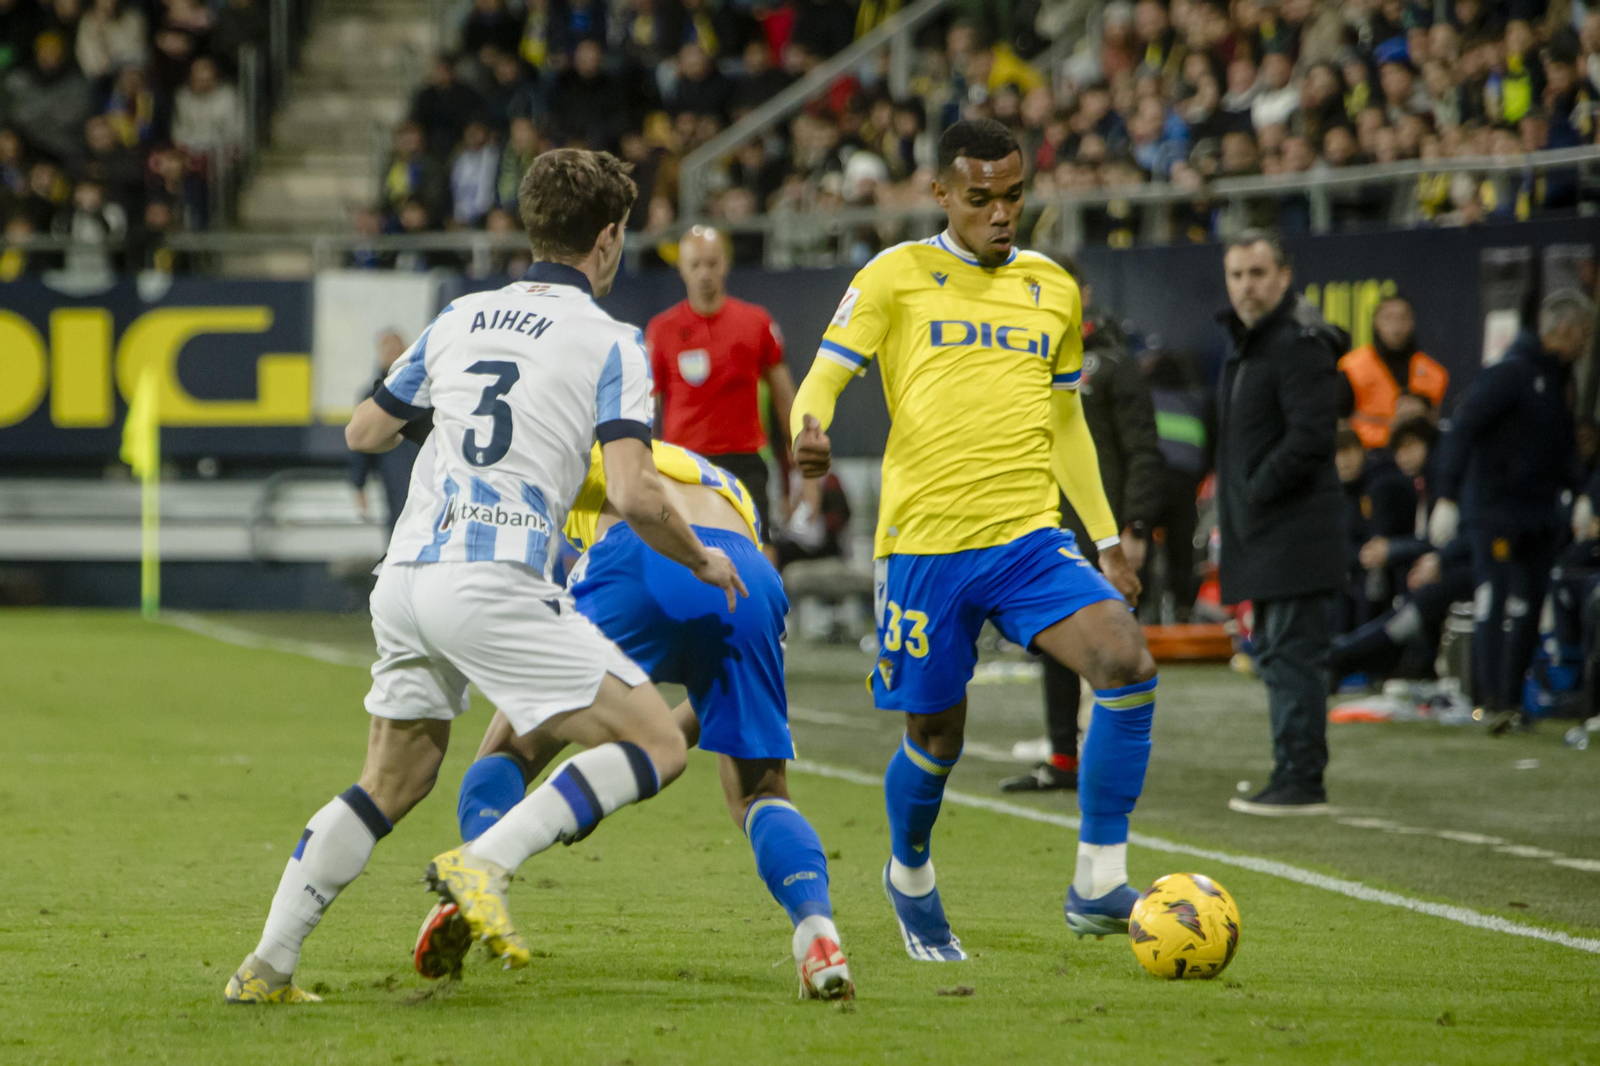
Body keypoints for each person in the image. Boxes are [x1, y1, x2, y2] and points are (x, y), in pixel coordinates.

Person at [224, 148, 745, 1004]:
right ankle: (485, 860)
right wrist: (703, 555)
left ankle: (266, 968)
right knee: (656, 742)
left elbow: (363, 432)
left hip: (406, 578)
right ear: (609, 239)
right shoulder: (611, 340)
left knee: (394, 780)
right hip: (492, 580)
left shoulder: (460, 316)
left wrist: (443, 408)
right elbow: (632, 491)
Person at [790, 119, 1157, 958]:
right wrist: (809, 427)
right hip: (923, 545)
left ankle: (1098, 882)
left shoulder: (1054, 289)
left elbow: (1066, 422)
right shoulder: (894, 276)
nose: (1001, 213)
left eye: (1014, 196)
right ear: (942, 195)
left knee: (1126, 661)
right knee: (936, 739)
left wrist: (1104, 541)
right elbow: (826, 371)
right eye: (981, 198)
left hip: (1029, 538)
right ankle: (909, 871)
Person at [412, 440, 854, 1000]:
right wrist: (609, 774)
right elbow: (703, 703)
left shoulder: (599, 451)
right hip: (747, 575)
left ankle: (475, 882)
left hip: (636, 556)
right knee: (760, 793)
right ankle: (819, 935)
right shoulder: (724, 485)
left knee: (511, 751)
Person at [1002, 298, 1165, 794]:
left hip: (1106, 533)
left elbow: (1141, 450)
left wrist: (1133, 527)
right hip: (1048, 529)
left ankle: (1108, 767)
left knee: (1115, 653)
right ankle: (1062, 758)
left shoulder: (1114, 366)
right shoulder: (1027, 362)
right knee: (1055, 647)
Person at [1215, 231, 1343, 817]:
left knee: (1292, 658)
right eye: (1238, 274)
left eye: (1258, 273)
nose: (1247, 285)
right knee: (1277, 657)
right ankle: (1291, 770)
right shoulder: (1251, 347)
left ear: (1284, 277)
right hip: (1268, 536)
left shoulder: (1297, 345)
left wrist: (1255, 491)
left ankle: (1299, 780)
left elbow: (1312, 436)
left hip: (1294, 535)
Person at [1429, 291, 1597, 735]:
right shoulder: (1509, 374)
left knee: (1527, 606)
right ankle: (1490, 701)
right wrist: (1445, 496)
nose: (1587, 344)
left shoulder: (1560, 380)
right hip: (1497, 512)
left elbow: (1559, 446)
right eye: (1584, 333)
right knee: (1495, 600)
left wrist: (1580, 492)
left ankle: (1510, 701)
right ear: (1564, 330)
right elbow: (1463, 429)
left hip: (1540, 515)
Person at [646, 226, 796, 551]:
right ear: (682, 268)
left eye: (712, 263)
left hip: (744, 463)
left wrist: (800, 476)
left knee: (758, 554)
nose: (704, 273)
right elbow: (648, 410)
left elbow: (787, 403)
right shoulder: (662, 330)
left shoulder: (756, 323)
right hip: (684, 465)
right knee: (688, 557)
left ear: (725, 264)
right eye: (696, 264)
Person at [1336, 294, 1449, 448]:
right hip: (1368, 457)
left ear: (1412, 322)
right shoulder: (1352, 368)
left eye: (1403, 318)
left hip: (1420, 458)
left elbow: (1437, 423)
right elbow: (1339, 423)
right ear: (1376, 322)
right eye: (1388, 318)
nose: (1396, 326)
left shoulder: (1434, 372)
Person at [348, 329, 419, 537]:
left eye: (397, 350)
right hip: (392, 466)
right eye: (388, 351)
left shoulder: (424, 388)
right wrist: (358, 483)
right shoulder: (372, 395)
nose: (393, 356)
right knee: (399, 518)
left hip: (423, 464)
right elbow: (361, 442)